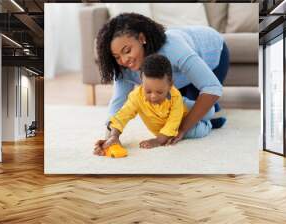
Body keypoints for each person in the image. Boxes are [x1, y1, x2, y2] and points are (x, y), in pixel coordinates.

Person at [95, 12, 229, 147]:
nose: (124, 60)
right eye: (117, 57)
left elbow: (212, 87)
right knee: (168, 111)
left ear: (141, 38)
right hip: (176, 79)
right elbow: (118, 103)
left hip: (212, 54)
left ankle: (209, 121)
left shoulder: (172, 47)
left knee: (204, 109)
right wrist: (111, 137)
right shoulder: (123, 68)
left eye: (127, 50)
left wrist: (181, 130)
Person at [94, 54, 215, 155]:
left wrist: (158, 141)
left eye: (160, 92)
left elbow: (174, 118)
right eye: (148, 91)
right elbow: (122, 116)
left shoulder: (175, 95)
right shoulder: (136, 96)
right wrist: (114, 136)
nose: (153, 96)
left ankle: (204, 116)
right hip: (171, 128)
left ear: (170, 85)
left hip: (179, 108)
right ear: (141, 81)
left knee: (210, 110)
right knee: (198, 131)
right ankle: (209, 124)